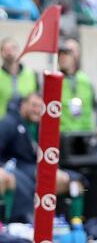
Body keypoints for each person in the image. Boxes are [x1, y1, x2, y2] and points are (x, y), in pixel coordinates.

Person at [0, 92, 85, 224]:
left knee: (75, 183)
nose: (37, 110)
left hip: (38, 170)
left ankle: (76, 226)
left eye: (40, 107)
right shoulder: (9, 122)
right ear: (23, 105)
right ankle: (7, 226)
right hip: (17, 169)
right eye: (33, 105)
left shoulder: (43, 125)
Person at [57, 40, 96, 133]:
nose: (63, 57)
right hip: (63, 134)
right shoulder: (55, 80)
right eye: (62, 53)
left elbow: (93, 105)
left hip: (84, 134)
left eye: (69, 52)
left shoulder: (85, 80)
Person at [0, 37, 38, 118]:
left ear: (19, 51)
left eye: (12, 48)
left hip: (25, 124)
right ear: (1, 53)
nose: (9, 52)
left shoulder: (31, 75)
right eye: (5, 49)